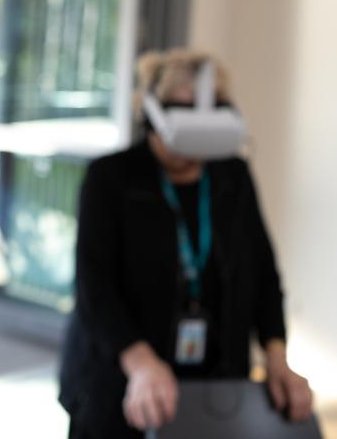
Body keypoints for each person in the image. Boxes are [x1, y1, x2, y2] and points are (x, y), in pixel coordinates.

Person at [58, 49, 312, 438]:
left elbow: (263, 273)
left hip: (216, 384)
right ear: (152, 115)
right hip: (122, 382)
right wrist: (140, 363)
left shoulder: (232, 176)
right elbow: (95, 289)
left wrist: (276, 357)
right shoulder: (111, 178)